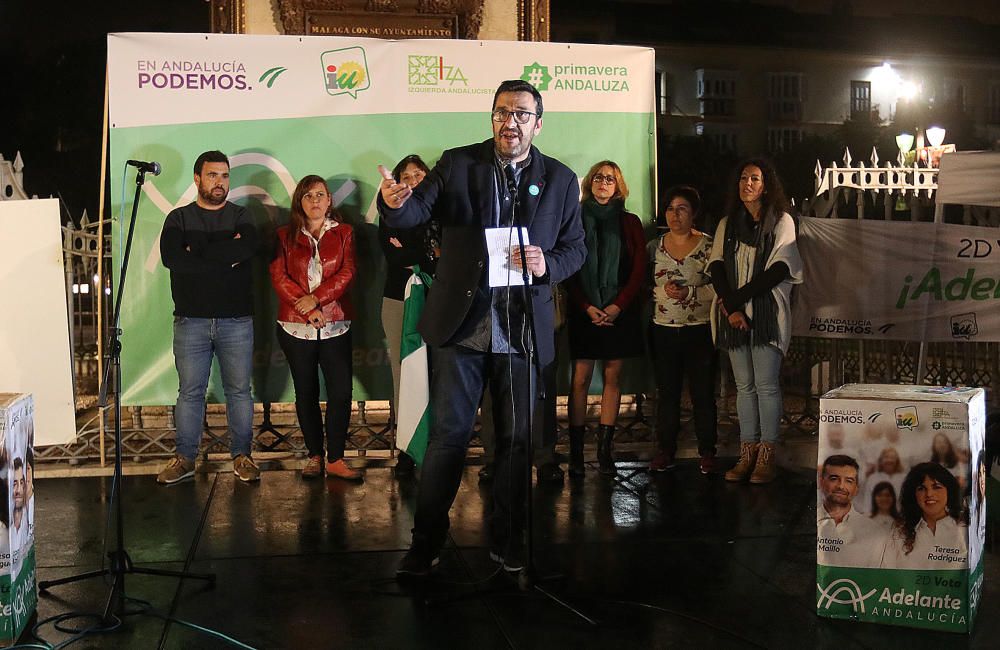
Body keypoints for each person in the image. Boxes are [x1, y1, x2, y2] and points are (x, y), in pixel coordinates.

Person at [378, 80, 586, 578]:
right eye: (500, 112)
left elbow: (575, 248)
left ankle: (508, 539)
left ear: (538, 122)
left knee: (515, 442)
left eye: (520, 114)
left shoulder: (559, 178)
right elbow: (412, 213)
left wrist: (546, 264)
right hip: (463, 326)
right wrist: (393, 202)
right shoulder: (458, 163)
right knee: (448, 438)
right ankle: (424, 544)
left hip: (521, 328)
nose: (508, 122)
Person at [156, 151, 260, 484]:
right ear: (197, 178)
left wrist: (196, 253)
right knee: (190, 393)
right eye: (213, 175)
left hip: (236, 321)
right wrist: (224, 255)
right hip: (191, 321)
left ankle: (242, 456)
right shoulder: (178, 219)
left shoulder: (242, 216)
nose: (220, 182)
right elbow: (173, 258)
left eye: (225, 176)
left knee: (240, 392)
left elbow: (245, 250)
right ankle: (185, 458)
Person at [709, 158, 802, 485]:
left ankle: (767, 454)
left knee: (765, 385)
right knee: (744, 387)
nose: (748, 184)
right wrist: (730, 307)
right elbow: (717, 266)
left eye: (755, 179)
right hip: (733, 316)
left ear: (767, 185)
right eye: (744, 178)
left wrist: (738, 298)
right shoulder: (727, 224)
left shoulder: (782, 222)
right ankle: (747, 451)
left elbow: (780, 269)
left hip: (765, 314)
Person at [270, 174, 360, 481]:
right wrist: (305, 307)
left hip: (336, 322)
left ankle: (335, 458)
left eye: (320, 195)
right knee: (305, 391)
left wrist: (317, 300)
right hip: (296, 326)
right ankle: (314, 456)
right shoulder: (284, 235)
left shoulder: (345, 233)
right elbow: (279, 277)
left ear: (330, 200)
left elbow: (347, 272)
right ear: (299, 202)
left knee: (340, 392)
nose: (315, 201)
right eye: (308, 196)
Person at [564, 161, 646, 477]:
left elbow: (638, 269)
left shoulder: (630, 222)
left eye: (609, 179)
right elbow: (568, 267)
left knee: (613, 379)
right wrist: (586, 306)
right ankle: (575, 454)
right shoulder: (574, 219)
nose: (603, 182)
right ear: (590, 184)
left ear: (618, 185)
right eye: (598, 177)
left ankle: (605, 452)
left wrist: (617, 306)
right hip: (583, 310)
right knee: (580, 380)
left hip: (619, 312)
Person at [647, 185, 717, 474]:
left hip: (699, 330)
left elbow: (719, 286)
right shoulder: (654, 246)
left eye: (682, 208)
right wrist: (663, 290)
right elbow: (644, 284)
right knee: (668, 394)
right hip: (663, 330)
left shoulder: (710, 247)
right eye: (670, 209)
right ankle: (666, 450)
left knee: (703, 393)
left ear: (694, 213)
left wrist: (690, 294)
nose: (675, 215)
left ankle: (708, 451)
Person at [378, 154, 437, 477]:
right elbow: (393, 253)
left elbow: (443, 255)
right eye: (406, 175)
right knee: (404, 374)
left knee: (440, 375)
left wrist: (421, 253)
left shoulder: (441, 212)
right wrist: (428, 253)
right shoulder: (389, 214)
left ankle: (438, 448)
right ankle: (406, 449)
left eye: (419, 174)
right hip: (398, 301)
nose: (413, 179)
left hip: (439, 300)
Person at [880, 462, 968, 569]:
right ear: (913, 494)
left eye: (936, 487)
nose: (929, 494)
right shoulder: (900, 530)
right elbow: (887, 569)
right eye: (921, 488)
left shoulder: (964, 528)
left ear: (949, 490)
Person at [816, 455, 882, 568]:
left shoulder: (874, 531)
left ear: (856, 488)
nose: (841, 486)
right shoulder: (808, 520)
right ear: (821, 482)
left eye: (849, 481)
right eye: (834, 478)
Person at [858, 447, 907, 514]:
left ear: (897, 460)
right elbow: (868, 502)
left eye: (892, 457)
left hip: (899, 516)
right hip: (877, 517)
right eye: (886, 457)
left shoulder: (904, 478)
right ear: (881, 460)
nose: (889, 460)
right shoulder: (873, 478)